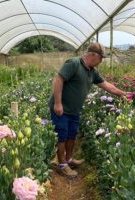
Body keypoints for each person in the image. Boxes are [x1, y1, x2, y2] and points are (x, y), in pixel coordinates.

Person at [49, 42, 126, 177]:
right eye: (101, 58)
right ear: (92, 55)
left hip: (74, 110)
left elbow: (106, 85)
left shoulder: (92, 72)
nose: (101, 61)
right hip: (61, 109)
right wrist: (57, 103)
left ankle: (69, 159)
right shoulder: (74, 64)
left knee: (71, 135)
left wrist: (122, 94)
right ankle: (61, 165)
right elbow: (58, 80)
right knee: (62, 136)